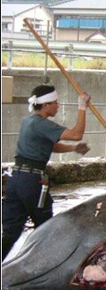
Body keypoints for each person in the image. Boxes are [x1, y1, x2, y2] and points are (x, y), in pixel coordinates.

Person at [2, 85, 91, 261]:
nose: (58, 106)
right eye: (55, 102)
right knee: (46, 228)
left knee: (11, 231)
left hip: (16, 179)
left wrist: (73, 149)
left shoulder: (28, 121)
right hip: (31, 181)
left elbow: (49, 146)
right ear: (45, 105)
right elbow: (76, 134)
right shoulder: (42, 124)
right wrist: (82, 106)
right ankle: (42, 266)